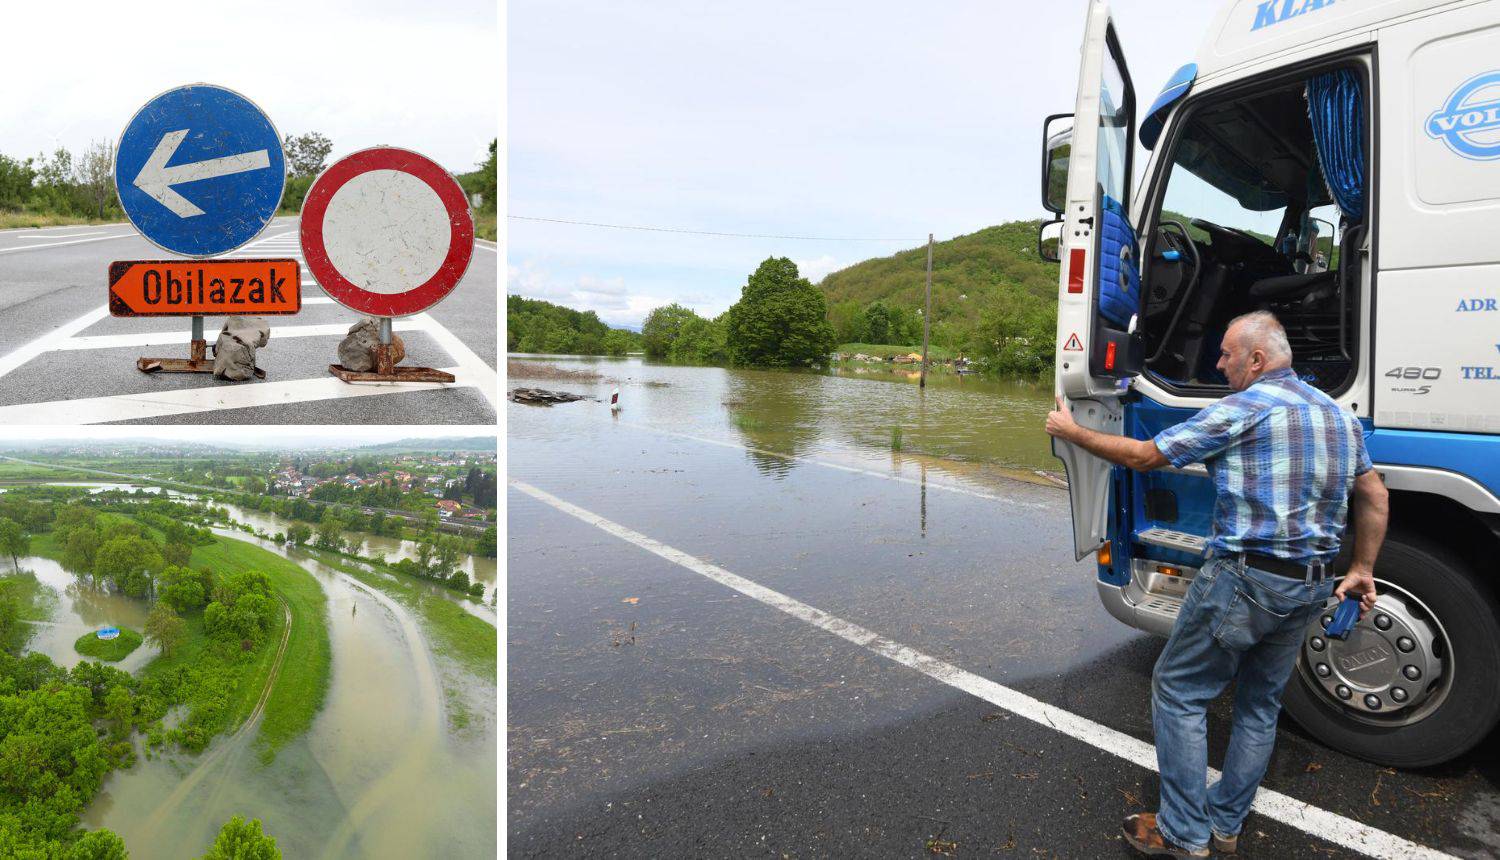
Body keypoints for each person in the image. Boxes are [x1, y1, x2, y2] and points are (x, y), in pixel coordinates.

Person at [1044, 311, 1389, 858]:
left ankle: (1183, 833)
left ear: (1257, 359)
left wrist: (1072, 432)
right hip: (1311, 586)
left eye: (1227, 354)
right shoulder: (1336, 414)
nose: (1219, 362)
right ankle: (1225, 824)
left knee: (1180, 691)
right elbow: (1373, 495)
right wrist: (1362, 568)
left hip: (1246, 579)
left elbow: (1146, 455)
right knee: (1259, 705)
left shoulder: (1245, 407)